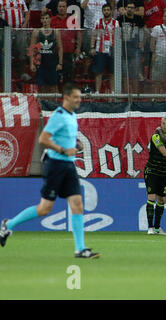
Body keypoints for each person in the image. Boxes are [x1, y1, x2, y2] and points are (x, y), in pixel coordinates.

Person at [0, 84, 100, 259]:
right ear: (66, 98)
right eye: (76, 97)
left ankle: (80, 249)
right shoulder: (58, 116)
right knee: (44, 209)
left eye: (79, 97)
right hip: (55, 164)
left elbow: (65, 136)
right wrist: (62, 149)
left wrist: (76, 144)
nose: (79, 100)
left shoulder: (72, 116)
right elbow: (43, 139)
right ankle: (8, 225)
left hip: (68, 165)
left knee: (77, 205)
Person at [144, 116, 166, 235]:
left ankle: (157, 228)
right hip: (152, 171)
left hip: (163, 173)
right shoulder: (156, 136)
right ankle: (150, 228)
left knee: (162, 200)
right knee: (151, 197)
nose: (165, 125)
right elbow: (164, 153)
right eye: (163, 123)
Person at [29, 12, 63, 93]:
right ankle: (43, 104)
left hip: (52, 62)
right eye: (43, 19)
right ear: (41, 20)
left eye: (47, 18)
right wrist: (31, 63)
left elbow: (60, 48)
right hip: (41, 63)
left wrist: (60, 63)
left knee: (54, 86)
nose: (45, 20)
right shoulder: (36, 32)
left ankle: (54, 104)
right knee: (42, 87)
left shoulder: (55, 32)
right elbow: (32, 48)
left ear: (50, 20)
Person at [90, 3, 119, 94]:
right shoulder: (98, 22)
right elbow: (93, 35)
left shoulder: (116, 22)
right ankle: (97, 91)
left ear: (111, 11)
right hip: (100, 49)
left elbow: (118, 37)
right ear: (102, 11)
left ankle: (113, 92)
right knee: (99, 72)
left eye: (108, 10)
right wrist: (92, 47)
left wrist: (117, 50)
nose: (106, 11)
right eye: (105, 10)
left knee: (112, 72)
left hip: (112, 50)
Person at [51, 0, 82, 83]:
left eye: (63, 7)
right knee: (54, 77)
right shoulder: (52, 20)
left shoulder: (72, 20)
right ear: (57, 8)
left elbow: (79, 34)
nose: (61, 8)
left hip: (69, 52)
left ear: (67, 8)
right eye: (60, 6)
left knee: (68, 77)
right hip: (55, 52)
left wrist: (78, 48)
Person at [117, 0, 145, 92]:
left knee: (135, 72)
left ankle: (135, 93)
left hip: (135, 48)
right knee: (125, 73)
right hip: (123, 48)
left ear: (135, 9)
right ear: (125, 8)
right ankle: (126, 92)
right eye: (128, 7)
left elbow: (145, 31)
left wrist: (142, 42)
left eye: (132, 8)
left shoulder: (138, 19)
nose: (130, 9)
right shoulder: (120, 19)